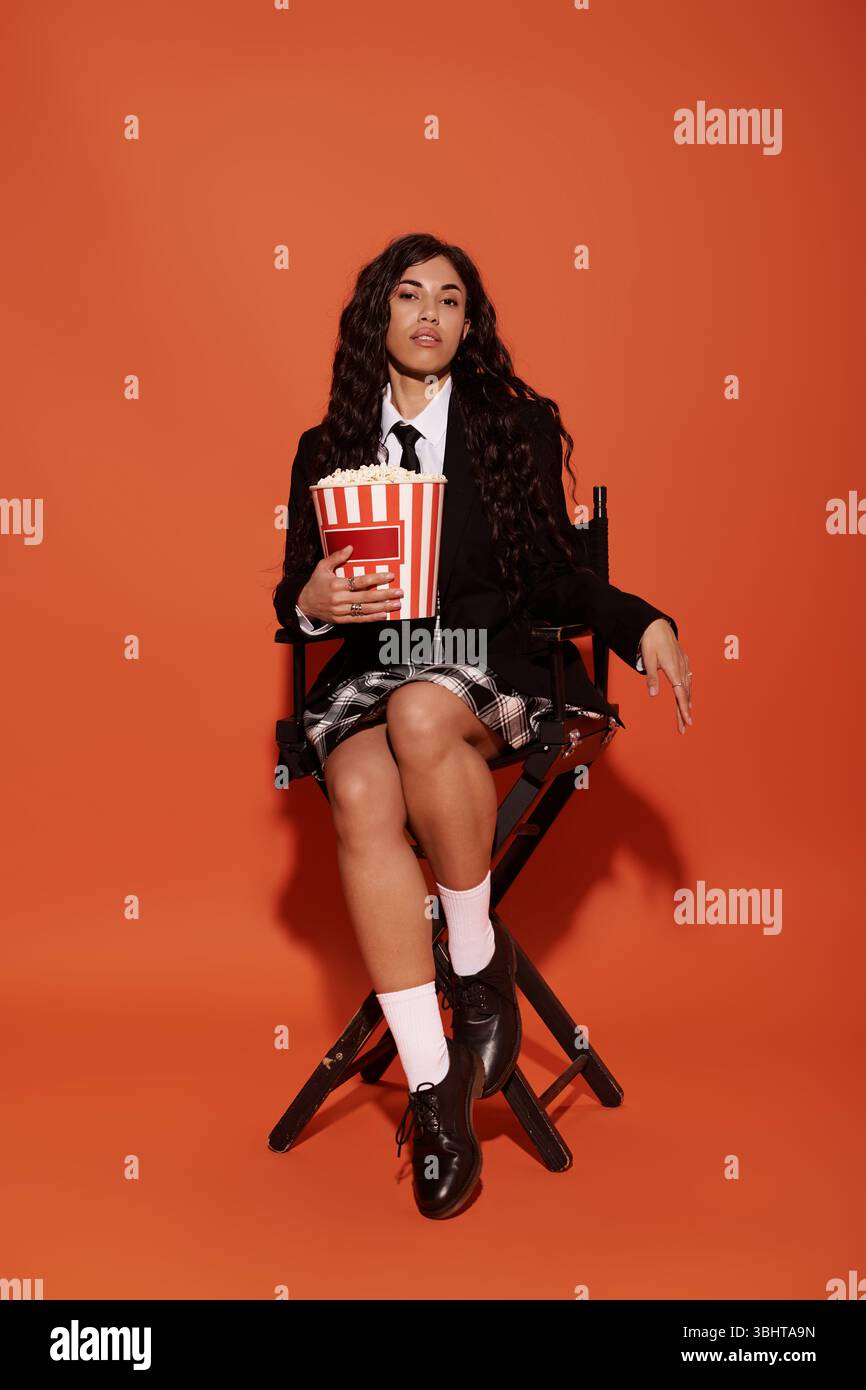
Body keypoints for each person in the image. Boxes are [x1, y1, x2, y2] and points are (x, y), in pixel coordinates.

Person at [273, 232, 692, 1219]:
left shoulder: (511, 426)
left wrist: (642, 624)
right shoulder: (325, 448)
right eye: (408, 296)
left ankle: (469, 959)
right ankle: (435, 1090)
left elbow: (552, 575)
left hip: (487, 668)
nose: (428, 314)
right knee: (365, 784)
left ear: (468, 321)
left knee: (423, 714)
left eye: (448, 299)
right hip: (367, 673)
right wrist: (316, 599)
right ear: (377, 315)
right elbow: (296, 596)